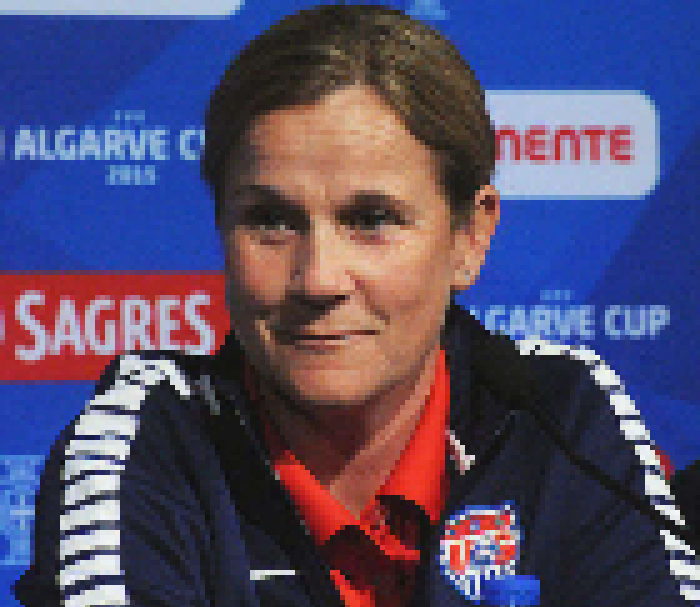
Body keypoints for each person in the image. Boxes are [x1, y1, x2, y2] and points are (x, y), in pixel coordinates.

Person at [12, 4, 699, 606]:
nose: (318, 279)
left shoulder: (562, 414)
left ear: (470, 237)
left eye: (372, 219)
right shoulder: (143, 444)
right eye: (271, 220)